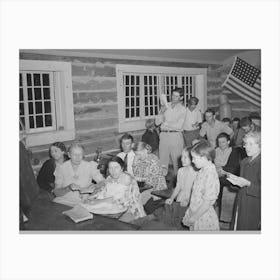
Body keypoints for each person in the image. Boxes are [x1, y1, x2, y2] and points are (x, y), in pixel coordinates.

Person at [82, 156, 146, 222]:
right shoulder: (110, 178)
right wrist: (91, 198)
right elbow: (102, 191)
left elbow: (117, 199)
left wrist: (96, 202)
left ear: (122, 168)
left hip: (129, 211)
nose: (113, 171)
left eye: (116, 167)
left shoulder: (126, 178)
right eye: (110, 168)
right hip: (114, 210)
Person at [152, 147, 197, 229]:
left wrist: (188, 200)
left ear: (193, 158)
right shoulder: (181, 171)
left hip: (193, 200)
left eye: (185, 157)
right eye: (182, 156)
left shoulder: (196, 173)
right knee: (177, 219)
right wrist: (172, 198)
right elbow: (178, 187)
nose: (182, 159)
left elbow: (196, 191)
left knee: (189, 222)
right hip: (181, 197)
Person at [182, 140, 220, 231]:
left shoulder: (210, 174)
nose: (193, 161)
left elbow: (207, 203)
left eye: (194, 158)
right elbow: (196, 195)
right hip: (195, 212)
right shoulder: (202, 170)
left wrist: (193, 218)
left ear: (204, 157)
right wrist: (189, 212)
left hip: (203, 216)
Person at [227, 131, 261, 230]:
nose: (246, 147)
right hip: (241, 202)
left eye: (251, 144)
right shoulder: (244, 162)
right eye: (245, 144)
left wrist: (248, 184)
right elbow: (242, 183)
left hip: (254, 205)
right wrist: (235, 182)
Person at [53, 142, 104, 206]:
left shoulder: (90, 166)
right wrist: (68, 188)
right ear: (69, 155)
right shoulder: (61, 168)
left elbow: (103, 182)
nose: (78, 157)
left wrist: (95, 187)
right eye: (74, 155)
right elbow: (56, 193)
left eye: (80, 154)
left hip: (83, 202)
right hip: (64, 202)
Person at [155, 87, 187, 177]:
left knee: (177, 161)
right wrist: (162, 111)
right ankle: (161, 184)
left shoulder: (183, 109)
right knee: (162, 161)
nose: (173, 98)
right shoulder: (165, 105)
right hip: (164, 135)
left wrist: (165, 122)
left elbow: (178, 126)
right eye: (173, 95)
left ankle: (179, 183)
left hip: (175, 136)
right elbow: (157, 122)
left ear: (181, 98)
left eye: (176, 96)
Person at [214, 133, 241, 218]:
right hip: (215, 173)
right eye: (219, 142)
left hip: (227, 174)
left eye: (223, 142)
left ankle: (217, 204)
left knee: (218, 181)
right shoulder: (216, 150)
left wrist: (220, 170)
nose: (221, 144)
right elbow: (210, 162)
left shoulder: (233, 151)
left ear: (228, 142)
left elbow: (233, 167)